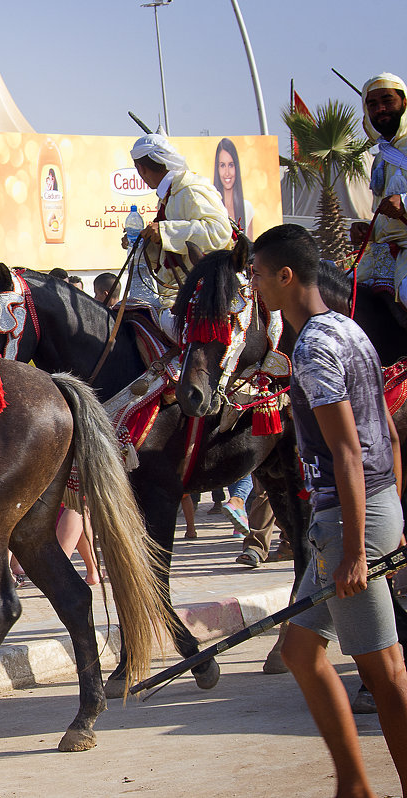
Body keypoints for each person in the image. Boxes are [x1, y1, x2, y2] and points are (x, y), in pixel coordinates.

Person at [251, 223, 407, 798]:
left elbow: (346, 452)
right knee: (298, 651)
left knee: (385, 671)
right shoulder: (351, 331)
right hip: (365, 510)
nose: (257, 287)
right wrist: (391, 512)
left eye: (260, 275)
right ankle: (353, 784)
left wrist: (358, 548)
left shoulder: (314, 348)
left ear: (286, 275)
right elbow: (386, 433)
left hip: (347, 519)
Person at [125, 134, 233, 328]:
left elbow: (219, 230)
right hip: (177, 296)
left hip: (202, 297)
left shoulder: (189, 189)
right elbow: (171, 247)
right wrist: (142, 241)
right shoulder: (170, 194)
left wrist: (165, 231)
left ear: (141, 169)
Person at [355, 73, 407, 309]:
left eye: (388, 100)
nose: (381, 109)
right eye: (372, 104)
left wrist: (404, 203)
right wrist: (368, 230)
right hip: (383, 254)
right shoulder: (381, 157)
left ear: (404, 102)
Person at [213, 138, 253, 238]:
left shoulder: (247, 207)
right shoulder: (210, 207)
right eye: (222, 165)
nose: (227, 173)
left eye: (231, 165)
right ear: (217, 168)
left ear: (236, 167)